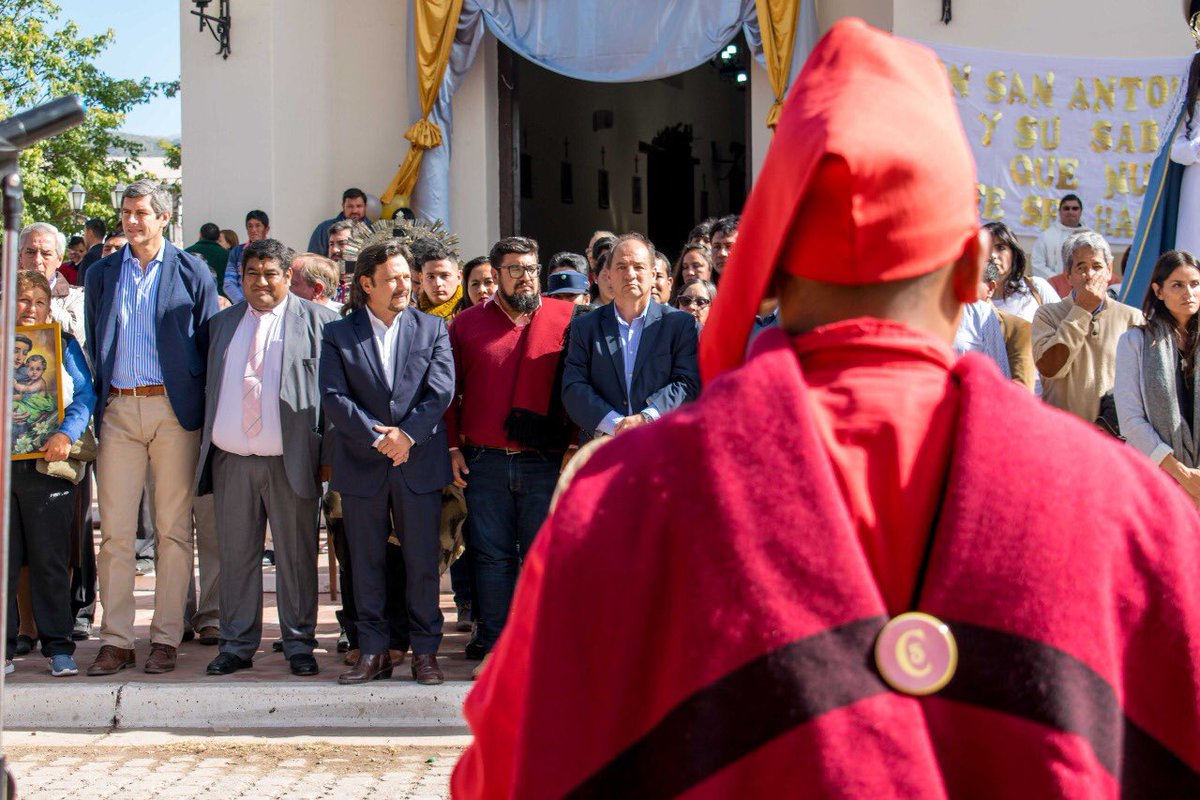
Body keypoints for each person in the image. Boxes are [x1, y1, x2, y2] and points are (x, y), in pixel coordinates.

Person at [453, 20, 1200, 797]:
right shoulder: (1129, 512)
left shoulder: (627, 506)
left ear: (768, 272)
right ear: (975, 269)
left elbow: (511, 778)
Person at [83, 180, 219, 676]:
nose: (132, 221)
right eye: (126, 212)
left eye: (142, 212)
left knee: (172, 531)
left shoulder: (191, 270)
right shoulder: (101, 274)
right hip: (118, 409)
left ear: (164, 218)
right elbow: (98, 336)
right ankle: (116, 640)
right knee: (116, 533)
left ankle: (165, 638)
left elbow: (207, 343)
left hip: (172, 411)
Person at [196, 239, 337, 678]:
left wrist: (328, 458)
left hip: (291, 459)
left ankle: (298, 642)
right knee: (237, 555)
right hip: (232, 459)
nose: (260, 282)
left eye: (270, 273)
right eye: (251, 274)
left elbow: (332, 397)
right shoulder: (221, 324)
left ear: (286, 276)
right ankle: (236, 644)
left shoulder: (319, 322)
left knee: (296, 556)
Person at [320, 239, 455, 686]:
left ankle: (425, 654)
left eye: (405, 276)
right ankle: (373, 652)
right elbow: (334, 398)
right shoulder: (340, 333)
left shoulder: (432, 329)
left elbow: (440, 392)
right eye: (392, 278)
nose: (404, 285)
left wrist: (407, 436)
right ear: (366, 284)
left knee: (421, 563)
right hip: (363, 463)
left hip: (417, 464)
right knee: (366, 563)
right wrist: (379, 439)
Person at [445, 236, 576, 666]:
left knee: (541, 555)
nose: (525, 277)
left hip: (544, 461)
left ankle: (540, 642)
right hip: (485, 460)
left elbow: (575, 388)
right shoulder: (466, 325)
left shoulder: (565, 318)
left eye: (531, 268)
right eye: (515, 269)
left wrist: (573, 447)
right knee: (492, 556)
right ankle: (498, 641)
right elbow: (449, 394)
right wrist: (450, 447)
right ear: (495, 274)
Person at [6, 270, 96, 677]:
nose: (32, 309)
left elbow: (85, 395)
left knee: (51, 559)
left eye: (40, 302)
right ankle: (5, 648)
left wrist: (66, 432)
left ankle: (58, 646)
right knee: (5, 561)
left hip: (47, 465)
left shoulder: (62, 343)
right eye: (24, 300)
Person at [563, 233, 700, 441]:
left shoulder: (680, 325)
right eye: (621, 267)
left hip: (662, 444)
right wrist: (615, 425)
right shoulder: (585, 327)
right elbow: (573, 387)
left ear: (653, 274)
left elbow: (687, 383)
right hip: (604, 447)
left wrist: (646, 418)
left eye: (638, 267)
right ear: (608, 276)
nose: (630, 274)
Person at [1116, 249, 1200, 504]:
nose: (1189, 293)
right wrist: (1183, 475)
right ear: (1158, 291)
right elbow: (1131, 420)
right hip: (1156, 481)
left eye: (1195, 284)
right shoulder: (1135, 342)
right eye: (1178, 285)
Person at [1033, 230, 1143, 422]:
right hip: (1062, 434)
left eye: (1097, 266)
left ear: (1109, 271)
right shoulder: (1047, 315)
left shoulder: (1132, 318)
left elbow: (1141, 384)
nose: (1089, 275)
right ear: (1068, 276)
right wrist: (1082, 310)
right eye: (1081, 268)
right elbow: (1051, 368)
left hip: (1112, 438)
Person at [18, 223, 86, 344]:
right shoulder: (5, 294)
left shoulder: (77, 296)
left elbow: (76, 335)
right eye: (30, 252)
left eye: (46, 254)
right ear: (20, 257)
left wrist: (41, 297)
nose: (37, 260)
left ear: (59, 259)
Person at [984, 221, 1060, 322]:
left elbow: (1064, 330)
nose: (993, 255)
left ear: (1014, 254)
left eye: (1000, 248)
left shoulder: (1036, 287)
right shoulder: (967, 301)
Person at [981, 259, 1036, 391]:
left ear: (990, 288)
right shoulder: (947, 326)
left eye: (970, 281)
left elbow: (1022, 390)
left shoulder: (1018, 329)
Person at [1030, 193, 1087, 281]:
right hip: (1054, 288)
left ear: (1081, 212)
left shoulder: (1090, 236)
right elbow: (1037, 264)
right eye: (1066, 208)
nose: (1070, 212)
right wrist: (1059, 281)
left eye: (1075, 208)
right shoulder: (1046, 236)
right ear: (1060, 211)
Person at [223, 210, 270, 303]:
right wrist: (242, 302)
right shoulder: (237, 251)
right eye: (250, 226)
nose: (253, 230)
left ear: (266, 229)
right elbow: (228, 283)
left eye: (258, 225)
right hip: (242, 304)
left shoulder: (274, 251)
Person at [308, 187, 368, 256]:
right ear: (343, 206)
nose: (354, 210)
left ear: (365, 206)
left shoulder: (374, 232)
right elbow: (313, 259)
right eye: (350, 206)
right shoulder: (324, 228)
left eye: (359, 206)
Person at [414, 240, 463, 319]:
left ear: (459, 277)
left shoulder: (471, 314)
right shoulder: (408, 317)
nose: (437, 283)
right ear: (421, 279)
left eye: (444, 276)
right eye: (431, 277)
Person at [185, 222, 231, 296]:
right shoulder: (227, 254)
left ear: (200, 235)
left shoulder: (186, 253)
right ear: (218, 237)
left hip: (193, 298)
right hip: (220, 299)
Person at [75, 217, 107, 284]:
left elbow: (83, 284)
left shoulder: (90, 256)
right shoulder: (110, 254)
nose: (83, 237)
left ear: (89, 232)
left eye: (84, 233)